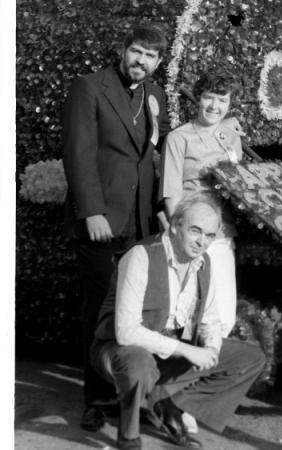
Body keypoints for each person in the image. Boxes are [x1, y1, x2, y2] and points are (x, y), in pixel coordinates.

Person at [62, 24, 172, 432]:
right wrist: (91, 212)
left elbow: (153, 157)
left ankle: (130, 393)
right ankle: (94, 399)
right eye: (137, 52)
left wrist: (160, 208)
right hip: (101, 221)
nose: (141, 61)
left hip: (140, 223)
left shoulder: (155, 95)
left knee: (135, 312)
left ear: (158, 63)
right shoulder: (89, 87)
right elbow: (78, 153)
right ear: (124, 50)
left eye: (150, 56)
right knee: (99, 312)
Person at [90, 194, 266, 450]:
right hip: (119, 349)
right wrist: (189, 350)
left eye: (209, 235)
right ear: (175, 225)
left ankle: (170, 403)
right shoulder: (141, 256)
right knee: (140, 365)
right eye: (195, 231)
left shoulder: (203, 262)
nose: (202, 242)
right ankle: (129, 434)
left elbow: (210, 318)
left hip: (169, 349)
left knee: (250, 359)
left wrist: (211, 350)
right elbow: (126, 332)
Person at [160, 71, 243, 339]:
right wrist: (180, 238)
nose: (214, 106)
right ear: (198, 99)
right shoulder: (178, 138)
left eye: (222, 100)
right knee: (184, 309)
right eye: (209, 98)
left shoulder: (231, 138)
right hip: (188, 232)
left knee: (223, 312)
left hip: (220, 233)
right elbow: (170, 193)